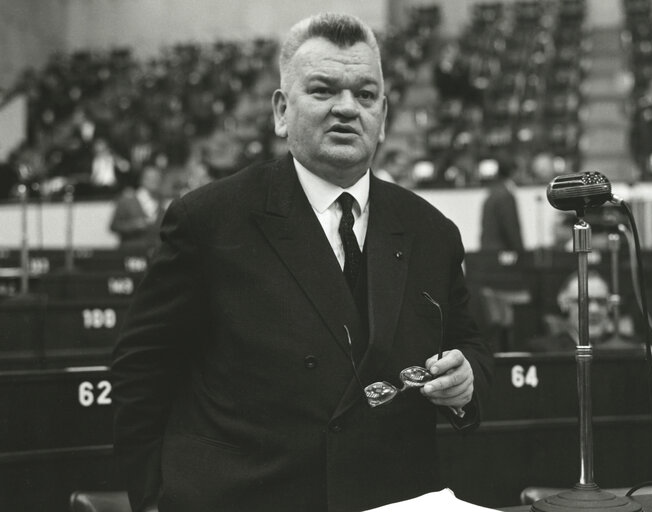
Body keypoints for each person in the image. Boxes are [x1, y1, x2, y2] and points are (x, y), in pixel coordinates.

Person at [111, 13, 493, 512]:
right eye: (322, 90)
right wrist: (154, 499)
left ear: (383, 114)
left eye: (365, 94)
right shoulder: (207, 221)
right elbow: (141, 371)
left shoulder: (432, 231)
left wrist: (466, 384)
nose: (346, 108)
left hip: (393, 497)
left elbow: (471, 347)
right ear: (281, 111)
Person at [527, 270, 641, 352]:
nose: (594, 310)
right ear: (564, 304)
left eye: (601, 301)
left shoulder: (631, 347)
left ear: (610, 306)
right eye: (583, 302)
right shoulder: (544, 350)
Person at [109, 166, 165, 252]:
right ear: (142, 179)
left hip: (154, 253)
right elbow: (114, 226)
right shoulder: (126, 200)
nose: (155, 181)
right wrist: (134, 225)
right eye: (151, 178)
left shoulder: (161, 202)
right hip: (131, 252)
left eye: (157, 178)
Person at [479, 154, 524, 252]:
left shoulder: (493, 192)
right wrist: (521, 253)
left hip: (488, 252)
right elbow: (512, 230)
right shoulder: (505, 196)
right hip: (502, 254)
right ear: (513, 172)